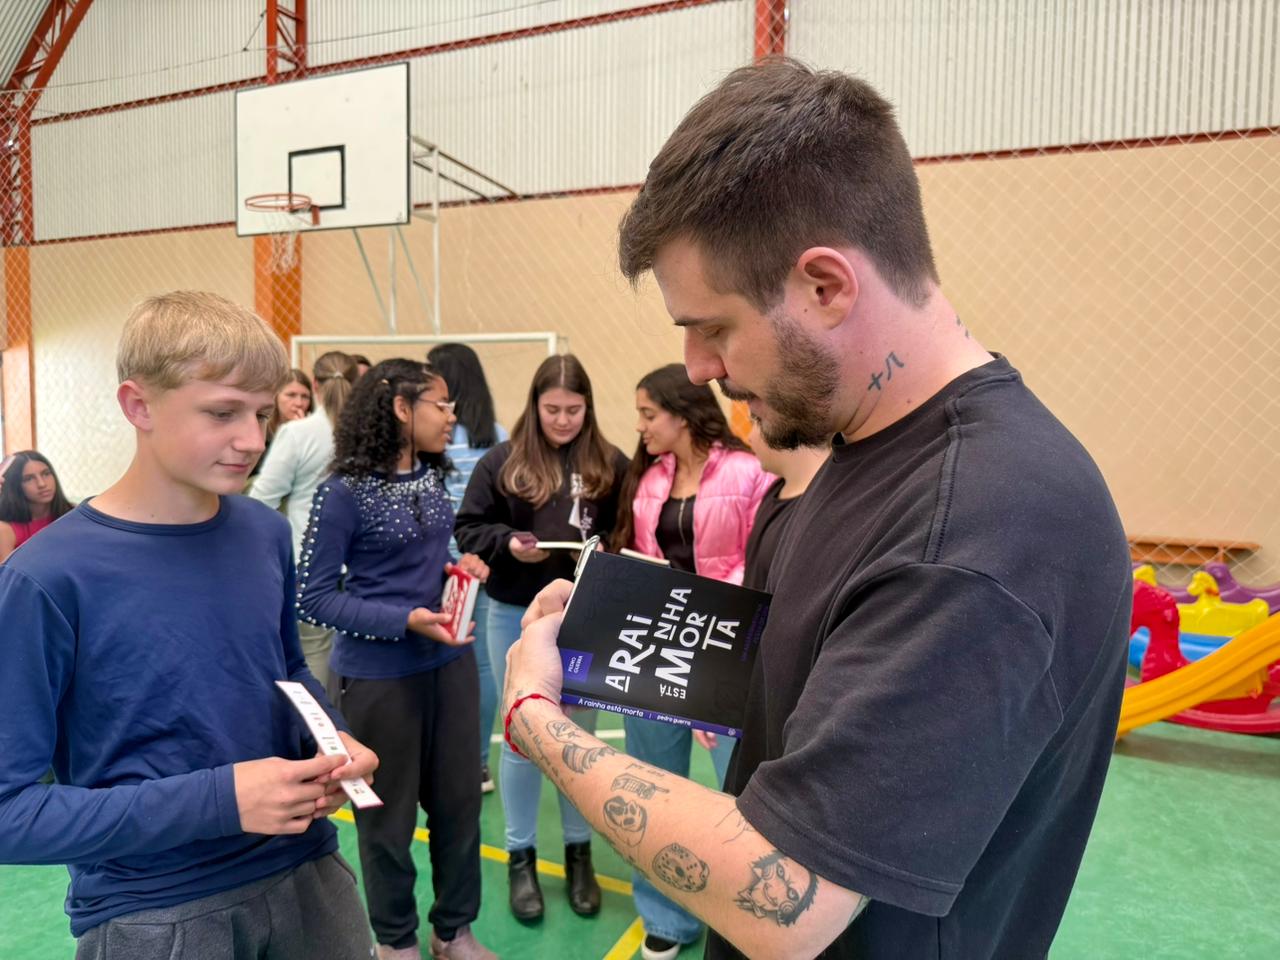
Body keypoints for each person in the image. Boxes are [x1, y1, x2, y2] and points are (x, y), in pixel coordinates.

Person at [499, 58, 1131, 960]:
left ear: (826, 286)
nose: (702, 367)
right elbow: (801, 675)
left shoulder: (984, 524)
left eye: (714, 327)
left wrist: (538, 718)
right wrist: (627, 614)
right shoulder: (860, 457)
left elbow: (788, 901)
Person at [0, 290, 378, 959]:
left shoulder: (262, 532)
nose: (254, 441)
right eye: (222, 412)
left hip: (310, 875)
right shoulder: (46, 577)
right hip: (157, 910)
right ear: (138, 405)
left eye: (261, 413)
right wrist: (221, 800)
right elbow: (11, 812)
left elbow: (285, 669)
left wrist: (333, 738)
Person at [297, 358, 495, 960]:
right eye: (440, 404)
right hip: (379, 679)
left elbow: (421, 562)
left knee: (460, 807)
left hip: (449, 668)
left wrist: (458, 571)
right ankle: (396, 942)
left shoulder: (431, 481)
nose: (452, 415)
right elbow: (315, 596)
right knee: (386, 823)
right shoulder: (341, 492)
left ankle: (453, 931)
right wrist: (401, 620)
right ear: (402, 409)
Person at [454, 353, 630, 923]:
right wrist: (507, 542)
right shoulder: (503, 460)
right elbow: (469, 527)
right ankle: (520, 856)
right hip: (515, 613)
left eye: (573, 410)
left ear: (588, 407)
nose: (561, 420)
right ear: (533, 406)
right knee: (524, 738)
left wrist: (608, 548)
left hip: (588, 621)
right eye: (551, 409)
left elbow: (628, 525)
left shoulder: (609, 461)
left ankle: (579, 855)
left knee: (576, 741)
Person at [609, 364, 772, 959]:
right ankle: (666, 916)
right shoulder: (649, 479)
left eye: (649, 414)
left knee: (744, 793)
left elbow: (758, 563)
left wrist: (707, 627)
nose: (641, 426)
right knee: (653, 789)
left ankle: (743, 913)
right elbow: (646, 559)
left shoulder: (749, 469)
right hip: (657, 650)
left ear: (682, 413)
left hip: (729, 649)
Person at [250, 351, 362, 689]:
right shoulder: (369, 434)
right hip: (360, 561)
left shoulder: (299, 434)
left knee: (313, 652)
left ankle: (320, 735)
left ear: (314, 385)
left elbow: (263, 499)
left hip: (311, 561)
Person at [427, 342, 510, 795]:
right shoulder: (494, 433)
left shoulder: (432, 434)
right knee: (480, 671)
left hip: (439, 569)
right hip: (480, 568)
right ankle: (477, 763)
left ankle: (444, 759)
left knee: (440, 665)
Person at [0, 450, 75, 562]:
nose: (42, 484)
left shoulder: (74, 514)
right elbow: (5, 577)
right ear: (14, 486)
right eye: (28, 479)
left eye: (46, 473)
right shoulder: (5, 529)